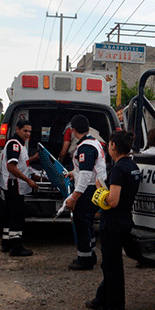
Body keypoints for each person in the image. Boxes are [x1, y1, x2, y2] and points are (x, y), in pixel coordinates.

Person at [85, 130, 142, 310]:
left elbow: (113, 200)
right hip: (125, 220)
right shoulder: (133, 167)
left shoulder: (118, 169)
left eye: (109, 144)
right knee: (109, 265)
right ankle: (102, 299)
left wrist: (100, 191)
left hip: (113, 223)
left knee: (113, 268)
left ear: (113, 146)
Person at [64, 114, 107, 269]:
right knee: (88, 224)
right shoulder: (94, 142)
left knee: (82, 224)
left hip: (88, 190)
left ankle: (84, 260)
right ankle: (90, 254)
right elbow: (87, 169)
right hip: (95, 188)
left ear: (73, 130)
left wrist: (74, 197)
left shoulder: (85, 147)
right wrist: (73, 173)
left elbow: (86, 175)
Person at [0, 119, 39, 256]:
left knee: (9, 214)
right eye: (25, 130)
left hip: (11, 185)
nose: (28, 134)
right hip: (14, 185)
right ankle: (16, 247)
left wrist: (32, 158)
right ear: (17, 129)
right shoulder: (15, 144)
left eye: (29, 131)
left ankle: (6, 243)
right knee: (17, 216)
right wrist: (29, 180)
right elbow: (12, 167)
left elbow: (21, 163)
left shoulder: (19, 145)